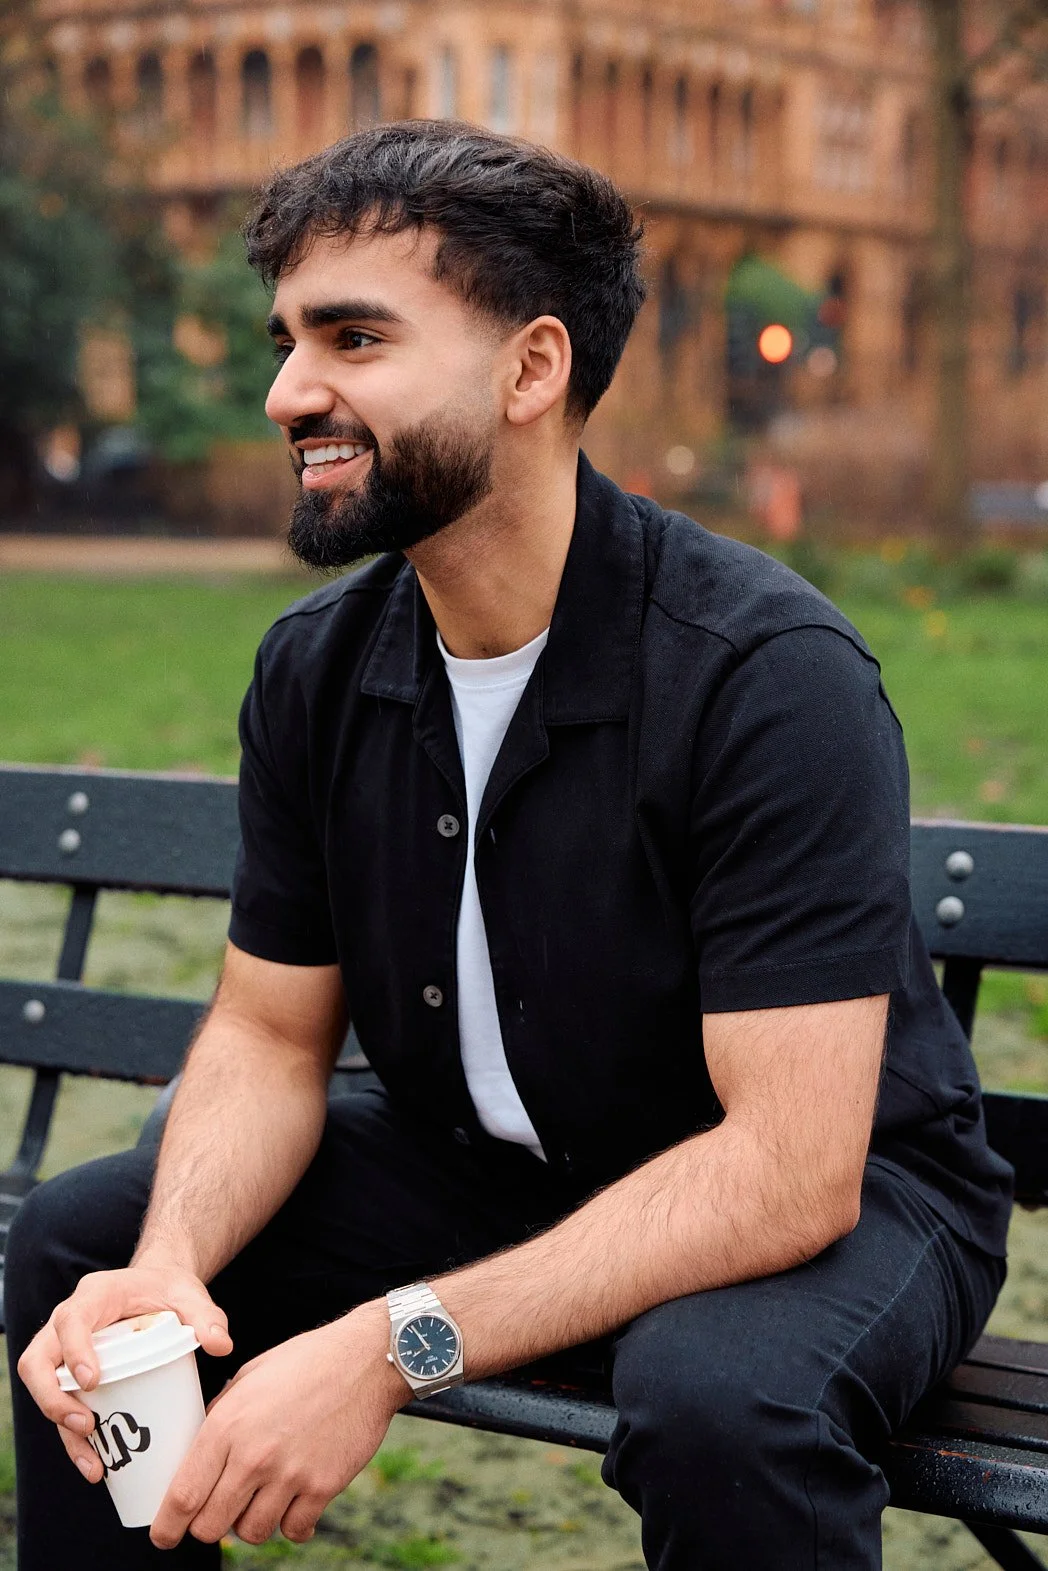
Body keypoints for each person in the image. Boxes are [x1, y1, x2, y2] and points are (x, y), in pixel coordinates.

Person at [8, 120, 1012, 1571]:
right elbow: (271, 1037)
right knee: (88, 1247)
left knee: (722, 1399)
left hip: (837, 1192)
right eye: (287, 341)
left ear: (533, 369)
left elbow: (791, 1169)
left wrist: (390, 1344)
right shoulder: (316, 669)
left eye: (355, 337)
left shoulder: (763, 672)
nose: (288, 391)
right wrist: (169, 1269)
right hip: (488, 1162)